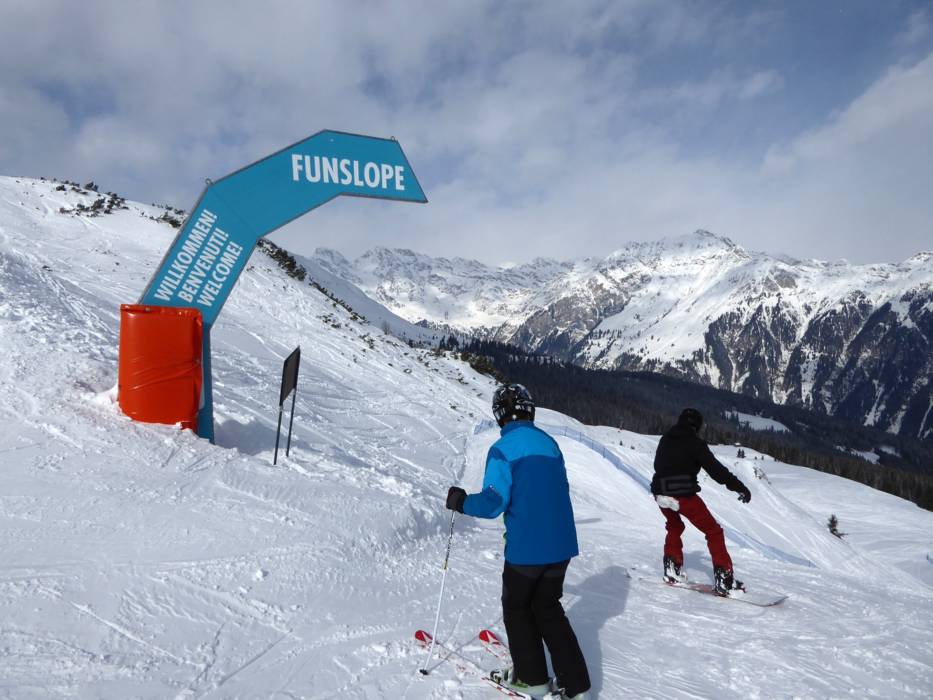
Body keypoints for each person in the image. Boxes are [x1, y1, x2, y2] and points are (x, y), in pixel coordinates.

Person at [446, 384, 590, 700]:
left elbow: (493, 502)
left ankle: (532, 678)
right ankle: (577, 686)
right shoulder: (550, 444)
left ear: (500, 415)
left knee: (517, 607)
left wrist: (460, 501)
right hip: (561, 546)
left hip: (527, 549)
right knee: (548, 608)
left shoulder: (503, 449)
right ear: (529, 410)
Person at [651, 407, 752, 596]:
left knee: (674, 526)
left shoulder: (665, 438)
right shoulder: (696, 444)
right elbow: (717, 471)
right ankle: (724, 580)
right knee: (713, 532)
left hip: (660, 494)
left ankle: (671, 568)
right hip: (683, 496)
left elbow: (657, 465)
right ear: (697, 426)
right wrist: (739, 487)